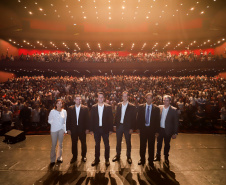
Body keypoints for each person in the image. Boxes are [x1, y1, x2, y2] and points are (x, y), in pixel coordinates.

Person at [112, 91, 136, 164]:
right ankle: (117, 155)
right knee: (118, 142)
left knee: (128, 142)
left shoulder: (132, 106)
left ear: (128, 97)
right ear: (122, 97)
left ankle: (128, 156)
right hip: (119, 126)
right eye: (123, 96)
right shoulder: (119, 105)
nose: (124, 97)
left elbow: (134, 118)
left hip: (127, 127)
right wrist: (115, 125)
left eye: (126, 96)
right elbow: (116, 116)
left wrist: (132, 128)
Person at [90, 92, 113, 166]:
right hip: (96, 129)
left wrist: (110, 129)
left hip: (105, 129)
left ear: (104, 98)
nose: (100, 98)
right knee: (97, 145)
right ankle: (97, 159)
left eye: (102, 97)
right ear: (97, 98)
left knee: (107, 145)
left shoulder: (108, 107)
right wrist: (91, 129)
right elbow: (92, 119)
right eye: (99, 97)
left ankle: (107, 159)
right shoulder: (93, 107)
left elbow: (110, 119)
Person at [137, 93, 160, 166]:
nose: (149, 99)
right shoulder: (141, 107)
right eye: (148, 98)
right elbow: (138, 118)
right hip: (143, 130)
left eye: (150, 98)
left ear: (152, 99)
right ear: (145, 98)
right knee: (142, 146)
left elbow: (157, 121)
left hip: (152, 130)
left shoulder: (156, 109)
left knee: (151, 146)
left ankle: (150, 161)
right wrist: (138, 128)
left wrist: (157, 131)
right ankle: (142, 159)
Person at [154, 95, 179, 165]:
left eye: (167, 100)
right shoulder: (159, 107)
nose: (165, 102)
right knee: (159, 144)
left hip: (168, 130)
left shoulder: (174, 110)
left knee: (167, 144)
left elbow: (176, 123)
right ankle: (158, 156)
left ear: (170, 101)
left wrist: (175, 133)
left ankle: (166, 157)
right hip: (160, 130)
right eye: (164, 100)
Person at [66, 94, 90, 164]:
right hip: (73, 129)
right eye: (77, 99)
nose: (78, 100)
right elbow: (68, 120)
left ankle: (84, 156)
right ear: (74, 100)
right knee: (74, 143)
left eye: (79, 99)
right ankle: (74, 157)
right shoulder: (70, 108)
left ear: (81, 100)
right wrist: (68, 129)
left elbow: (87, 120)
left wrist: (87, 128)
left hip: (82, 129)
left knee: (83, 143)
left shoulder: (85, 108)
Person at [48, 99, 67, 165]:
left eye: (60, 103)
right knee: (54, 145)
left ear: (62, 104)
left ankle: (59, 158)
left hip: (61, 129)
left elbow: (65, 122)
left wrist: (65, 130)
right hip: (54, 130)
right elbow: (49, 121)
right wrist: (55, 123)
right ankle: (52, 159)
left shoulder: (64, 111)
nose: (59, 105)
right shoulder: (52, 111)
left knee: (60, 144)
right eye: (58, 103)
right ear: (56, 104)